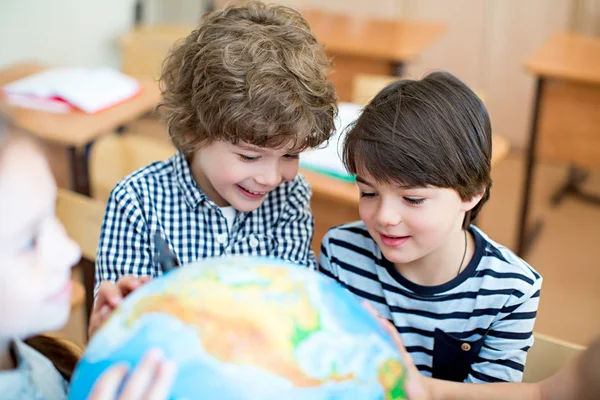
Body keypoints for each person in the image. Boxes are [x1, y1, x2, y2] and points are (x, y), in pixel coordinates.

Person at [92, 1, 337, 336]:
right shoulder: (137, 202)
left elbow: (295, 313)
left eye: (290, 156)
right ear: (194, 131)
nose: (271, 178)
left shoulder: (290, 196)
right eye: (250, 157)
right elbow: (124, 331)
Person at [319, 71, 542, 383]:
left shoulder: (510, 290)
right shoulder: (341, 252)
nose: (385, 216)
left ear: (471, 193)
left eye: (412, 199)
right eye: (369, 193)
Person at [0, 115, 176, 399]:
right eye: (30, 242)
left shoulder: (24, 357)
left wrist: (101, 358)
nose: (70, 251)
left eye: (52, 215)